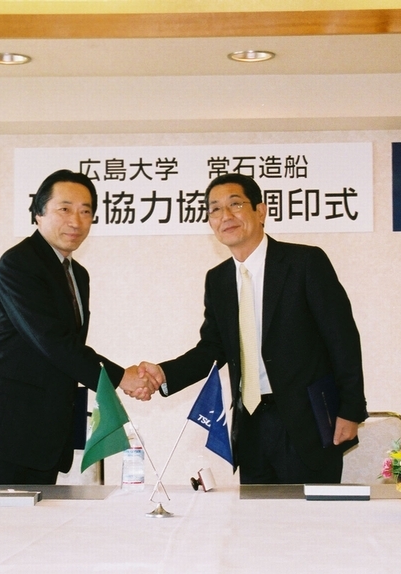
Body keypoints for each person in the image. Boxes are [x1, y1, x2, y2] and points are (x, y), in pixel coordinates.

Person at [140, 173, 367, 484]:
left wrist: (351, 409)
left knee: (311, 515)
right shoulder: (218, 279)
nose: (225, 216)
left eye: (235, 204)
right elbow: (213, 348)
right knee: (254, 514)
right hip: (250, 426)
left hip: (307, 424)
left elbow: (342, 339)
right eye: (215, 209)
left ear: (260, 211)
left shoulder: (305, 262)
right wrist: (165, 374)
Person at [0, 169, 155, 485]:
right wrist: (121, 377)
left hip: (44, 431)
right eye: (64, 209)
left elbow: (68, 348)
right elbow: (53, 342)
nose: (76, 221)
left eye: (85, 211)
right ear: (38, 213)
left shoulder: (78, 274)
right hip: (3, 426)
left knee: (41, 517)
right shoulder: (19, 263)